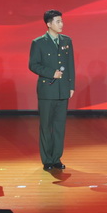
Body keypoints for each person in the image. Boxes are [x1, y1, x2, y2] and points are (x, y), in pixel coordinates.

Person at [29, 9, 75, 171]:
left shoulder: (66, 41)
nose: (61, 24)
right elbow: (33, 65)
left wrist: (71, 86)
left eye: (61, 21)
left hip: (63, 90)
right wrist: (51, 73)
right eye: (58, 21)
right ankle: (47, 160)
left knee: (59, 126)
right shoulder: (38, 42)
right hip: (47, 90)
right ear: (49, 24)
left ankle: (56, 158)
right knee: (46, 126)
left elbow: (70, 65)